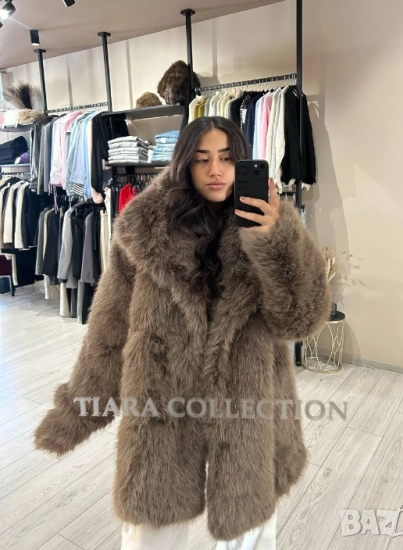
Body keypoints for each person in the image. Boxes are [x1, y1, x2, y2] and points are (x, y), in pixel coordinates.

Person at [34, 116, 332, 549]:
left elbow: (301, 319)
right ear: (184, 163)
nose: (216, 171)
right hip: (162, 396)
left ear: (242, 162)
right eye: (202, 159)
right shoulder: (144, 229)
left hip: (249, 397)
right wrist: (79, 408)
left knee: (248, 520)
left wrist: (275, 240)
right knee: (152, 521)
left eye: (227, 159)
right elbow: (109, 329)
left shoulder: (273, 224)